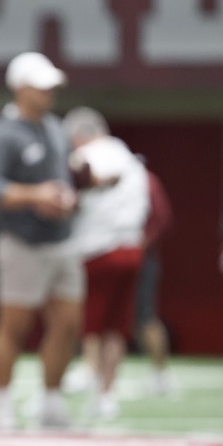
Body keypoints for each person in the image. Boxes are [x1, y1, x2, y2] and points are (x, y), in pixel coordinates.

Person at [0, 51, 82, 431]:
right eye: (43, 85)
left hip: (62, 240)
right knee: (14, 325)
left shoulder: (55, 127)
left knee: (68, 323)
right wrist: (36, 196)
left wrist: (67, 197)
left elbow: (61, 182)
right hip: (22, 240)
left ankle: (51, 399)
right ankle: (3, 402)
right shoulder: (4, 131)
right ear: (21, 88)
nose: (51, 92)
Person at [61, 107, 149, 421]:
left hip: (99, 248)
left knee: (92, 322)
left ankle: (89, 373)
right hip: (132, 247)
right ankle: (107, 394)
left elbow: (75, 191)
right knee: (116, 325)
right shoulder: (128, 157)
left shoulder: (87, 156)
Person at [135, 167, 174, 395]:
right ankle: (93, 373)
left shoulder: (146, 181)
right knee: (100, 318)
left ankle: (161, 375)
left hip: (141, 258)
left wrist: (143, 242)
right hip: (113, 253)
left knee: (145, 317)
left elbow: (162, 218)